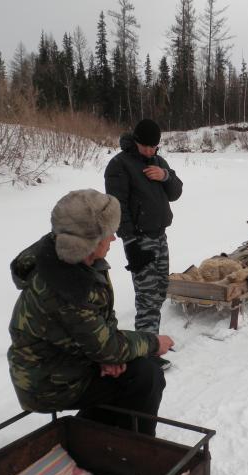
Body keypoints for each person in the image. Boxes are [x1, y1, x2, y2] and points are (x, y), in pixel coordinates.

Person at [7, 189, 174, 436]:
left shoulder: (78, 260)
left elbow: (102, 324)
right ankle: (136, 452)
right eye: (108, 234)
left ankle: (95, 433)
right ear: (88, 243)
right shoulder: (66, 286)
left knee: (133, 368)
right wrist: (152, 342)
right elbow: (105, 344)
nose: (115, 239)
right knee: (146, 376)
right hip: (45, 381)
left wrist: (110, 356)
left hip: (68, 359)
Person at [104, 119, 183, 371]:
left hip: (160, 236)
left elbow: (176, 192)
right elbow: (117, 207)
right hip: (139, 239)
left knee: (160, 290)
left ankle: (151, 343)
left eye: (154, 147)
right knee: (147, 297)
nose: (150, 151)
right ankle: (146, 356)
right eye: (145, 146)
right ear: (135, 141)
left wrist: (165, 176)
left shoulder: (159, 162)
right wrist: (130, 242)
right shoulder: (119, 165)